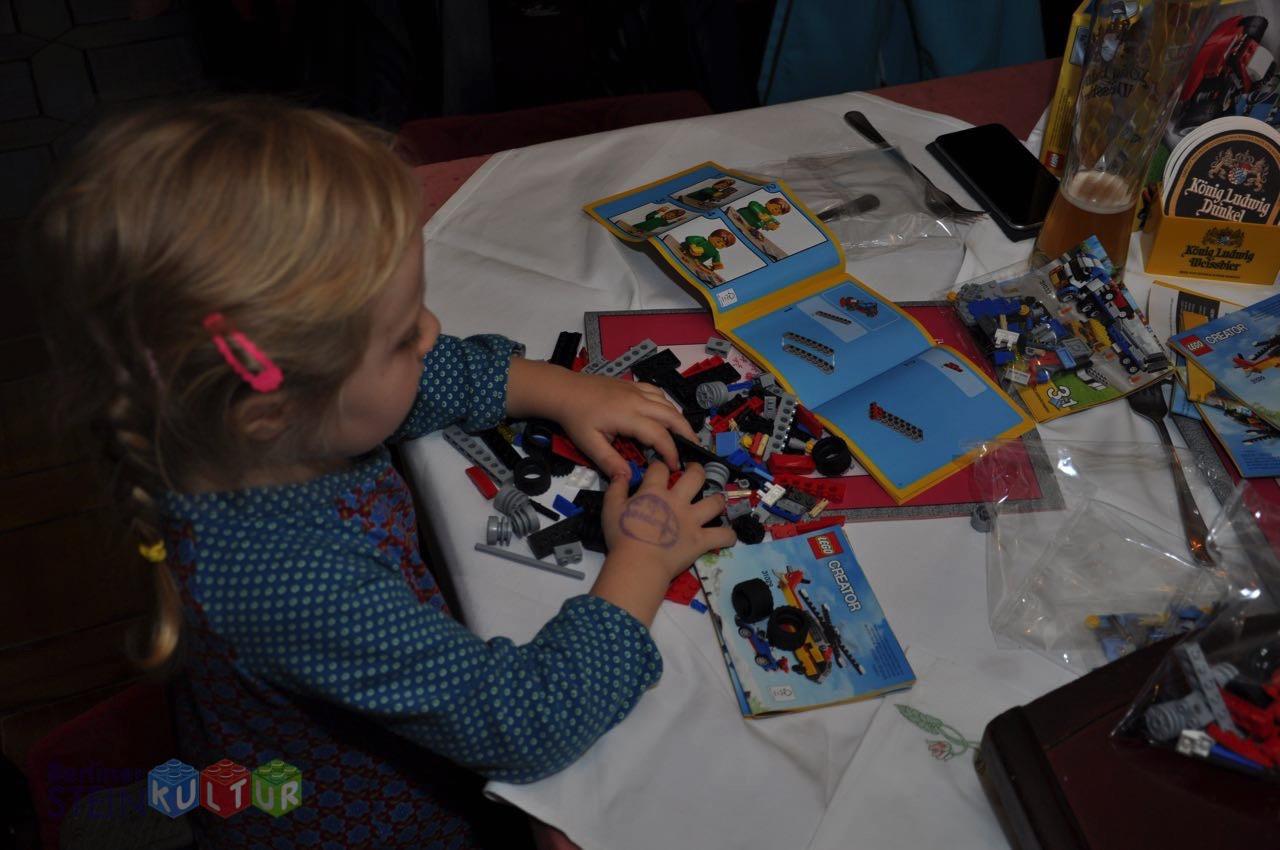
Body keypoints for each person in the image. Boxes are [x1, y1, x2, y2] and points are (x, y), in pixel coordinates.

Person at [29, 97, 737, 849]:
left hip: (267, 750)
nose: (432, 331)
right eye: (402, 335)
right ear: (273, 406)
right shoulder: (301, 585)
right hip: (362, 821)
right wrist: (641, 561)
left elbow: (398, 389)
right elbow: (523, 726)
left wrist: (556, 388)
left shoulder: (230, 426)